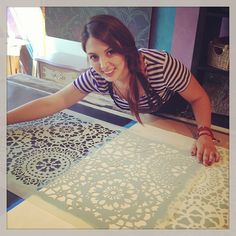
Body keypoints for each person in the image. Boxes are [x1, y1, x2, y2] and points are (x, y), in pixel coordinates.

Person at [7, 14, 220, 166]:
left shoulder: (161, 64)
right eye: (94, 57)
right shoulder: (97, 76)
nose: (104, 64)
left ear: (125, 48)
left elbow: (199, 97)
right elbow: (54, 101)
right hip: (146, 122)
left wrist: (204, 133)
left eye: (111, 52)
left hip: (181, 115)